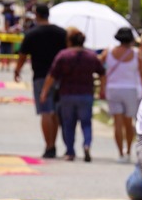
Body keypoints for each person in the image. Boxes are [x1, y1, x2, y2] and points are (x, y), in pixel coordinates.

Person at [15, 1, 69, 158]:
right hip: (59, 76)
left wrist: (17, 70)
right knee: (55, 113)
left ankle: (49, 146)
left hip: (40, 76)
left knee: (45, 112)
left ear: (37, 15)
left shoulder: (31, 34)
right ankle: (55, 143)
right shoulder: (61, 33)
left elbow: (23, 56)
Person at [42, 28, 102, 163]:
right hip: (86, 94)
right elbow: (102, 72)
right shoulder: (91, 56)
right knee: (86, 123)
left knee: (68, 124)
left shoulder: (63, 55)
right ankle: (87, 144)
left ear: (69, 41)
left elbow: (52, 75)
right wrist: (102, 89)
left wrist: (45, 91)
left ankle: (70, 151)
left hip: (67, 94)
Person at [101, 26, 142, 159]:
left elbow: (100, 66)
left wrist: (102, 86)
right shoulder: (136, 54)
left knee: (117, 123)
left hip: (112, 89)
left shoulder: (109, 51)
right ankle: (128, 151)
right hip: (130, 90)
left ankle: (120, 153)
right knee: (128, 123)